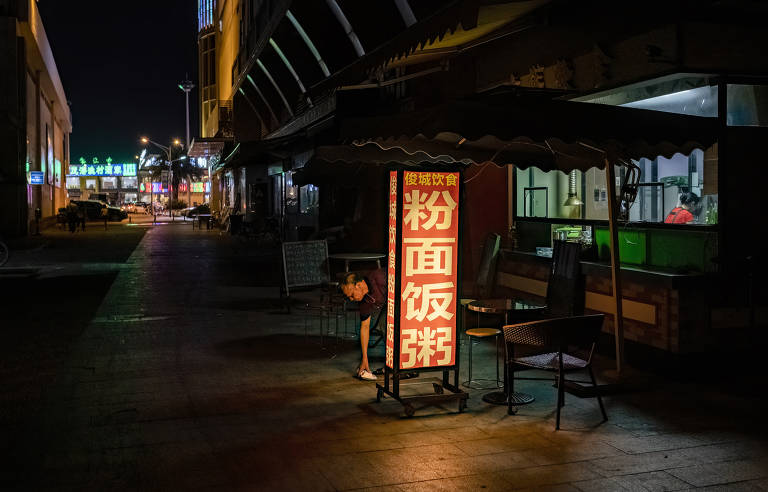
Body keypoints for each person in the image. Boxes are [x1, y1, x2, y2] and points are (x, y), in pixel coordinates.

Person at [341, 269, 386, 381]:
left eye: (351, 295)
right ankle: (392, 364)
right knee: (384, 324)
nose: (351, 299)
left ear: (359, 285)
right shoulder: (364, 301)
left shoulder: (379, 278)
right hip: (389, 303)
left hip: (405, 296)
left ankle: (402, 366)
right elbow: (365, 327)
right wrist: (365, 358)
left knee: (391, 325)